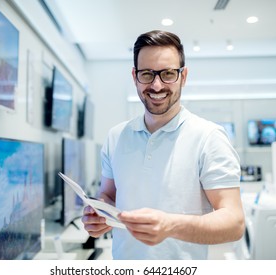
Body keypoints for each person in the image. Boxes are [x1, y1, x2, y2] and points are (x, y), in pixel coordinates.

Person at [82, 30, 245, 260]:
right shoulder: (116, 136)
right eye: (147, 74)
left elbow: (234, 222)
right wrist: (98, 213)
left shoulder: (209, 137)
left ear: (183, 76)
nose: (157, 86)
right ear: (134, 76)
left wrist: (171, 225)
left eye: (168, 74)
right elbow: (108, 195)